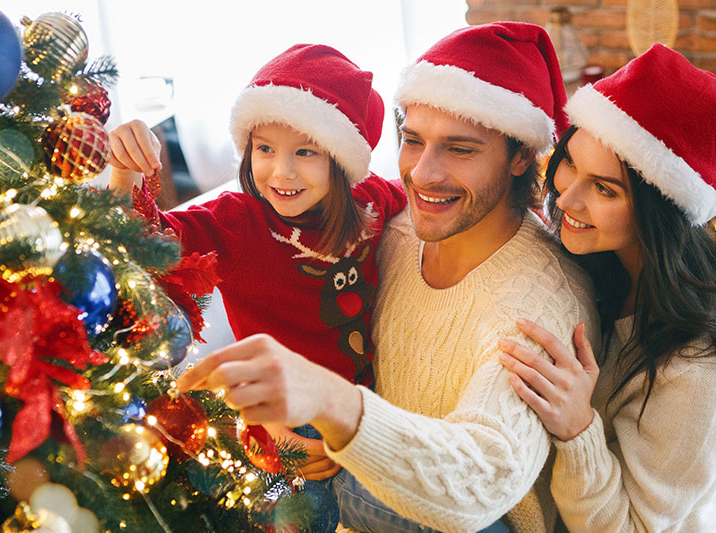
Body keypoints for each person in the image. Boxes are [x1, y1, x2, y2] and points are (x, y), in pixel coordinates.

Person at [178, 22, 600, 533]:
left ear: (521, 156)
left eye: (460, 149)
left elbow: (481, 483)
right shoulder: (391, 228)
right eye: (413, 140)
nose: (422, 173)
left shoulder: (539, 301)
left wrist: (332, 404)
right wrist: (269, 420)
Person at [108, 44, 407, 533]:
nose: (281, 172)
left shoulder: (370, 201)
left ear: (342, 160)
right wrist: (125, 169)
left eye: (305, 152)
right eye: (265, 149)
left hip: (363, 410)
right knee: (298, 517)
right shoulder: (237, 222)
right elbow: (140, 243)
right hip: (279, 418)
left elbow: (422, 204)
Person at [497, 43, 716, 532]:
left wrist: (577, 429)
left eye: (604, 188)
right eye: (570, 163)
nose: (566, 199)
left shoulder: (696, 369)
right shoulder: (601, 267)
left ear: (660, 212)